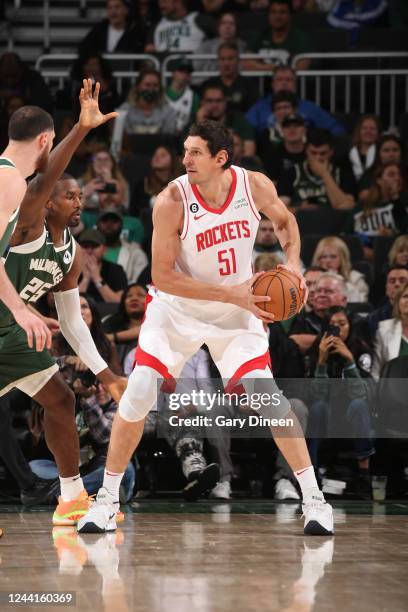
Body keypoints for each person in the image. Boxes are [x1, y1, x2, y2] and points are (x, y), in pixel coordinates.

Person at [78, 119, 334, 536]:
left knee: (267, 398)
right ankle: (105, 502)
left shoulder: (255, 186)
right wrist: (232, 294)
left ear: (221, 158)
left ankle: (314, 500)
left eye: (195, 152)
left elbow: (285, 222)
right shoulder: (171, 200)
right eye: (185, 151)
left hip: (236, 309)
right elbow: (161, 275)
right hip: (178, 308)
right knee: (140, 389)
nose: (185, 160)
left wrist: (294, 265)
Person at [0, 80, 126, 526]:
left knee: (59, 399)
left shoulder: (71, 253)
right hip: (6, 324)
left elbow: (73, 324)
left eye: (80, 195)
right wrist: (80, 130)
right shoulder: (26, 221)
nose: (80, 201)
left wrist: (106, 374)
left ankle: (72, 498)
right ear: (48, 201)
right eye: (70, 195)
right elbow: (47, 174)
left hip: (12, 336)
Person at [0, 105, 55, 354]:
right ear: (43, 139)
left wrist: (29, 310)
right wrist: (20, 310)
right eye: (52, 142)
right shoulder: (10, 180)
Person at [307, 306, 375, 499]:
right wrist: (321, 361)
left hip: (352, 415)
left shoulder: (360, 349)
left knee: (358, 405)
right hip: (327, 413)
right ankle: (312, 478)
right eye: (332, 325)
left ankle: (364, 475)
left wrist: (349, 360)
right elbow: (316, 396)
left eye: (342, 324)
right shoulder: (317, 349)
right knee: (318, 407)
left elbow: (361, 394)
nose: (337, 330)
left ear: (350, 327)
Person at [246, 66, 345, 136]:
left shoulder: (309, 108)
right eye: (280, 80)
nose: (284, 83)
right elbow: (244, 129)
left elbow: (336, 130)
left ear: (295, 85)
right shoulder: (260, 108)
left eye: (288, 80)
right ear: (272, 84)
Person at [279, 129, 356, 210]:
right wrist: (300, 210)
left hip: (333, 220)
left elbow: (346, 207)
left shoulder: (342, 173)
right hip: (301, 220)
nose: (317, 158)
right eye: (313, 153)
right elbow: (279, 210)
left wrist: (324, 174)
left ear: (331, 152)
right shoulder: (292, 173)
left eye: (323, 153)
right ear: (306, 151)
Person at [349, 163, 407, 259]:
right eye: (391, 174)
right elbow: (346, 234)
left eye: (399, 175)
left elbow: (404, 231)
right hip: (362, 255)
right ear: (379, 180)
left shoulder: (402, 205)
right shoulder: (362, 205)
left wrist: (395, 197)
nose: (397, 178)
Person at [246, 0, 313, 71]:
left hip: (289, 82)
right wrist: (270, 69)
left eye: (282, 12)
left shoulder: (300, 38)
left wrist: (275, 72)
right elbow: (246, 63)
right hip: (261, 82)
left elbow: (302, 67)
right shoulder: (260, 36)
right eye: (273, 12)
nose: (277, 16)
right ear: (268, 15)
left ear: (290, 15)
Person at [195, 84, 256, 156]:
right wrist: (200, 123)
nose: (214, 105)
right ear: (202, 102)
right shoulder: (194, 123)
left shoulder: (240, 122)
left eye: (218, 101)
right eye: (209, 101)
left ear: (225, 101)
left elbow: (249, 155)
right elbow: (187, 156)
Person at [201, 43, 258, 114]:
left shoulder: (249, 86)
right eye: (222, 59)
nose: (226, 63)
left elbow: (253, 114)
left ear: (238, 61)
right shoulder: (208, 85)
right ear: (218, 61)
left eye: (230, 58)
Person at [96, 209, 148, 283]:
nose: (109, 224)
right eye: (105, 220)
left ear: (122, 225)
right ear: (97, 224)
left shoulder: (136, 254)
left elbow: (139, 287)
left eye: (114, 221)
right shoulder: (86, 252)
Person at [311, 236, 369, 302]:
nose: (328, 261)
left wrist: (339, 280)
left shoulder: (356, 278)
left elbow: (360, 304)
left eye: (333, 256)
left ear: (342, 258)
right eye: (324, 257)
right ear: (318, 259)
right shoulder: (309, 278)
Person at [78, 229, 128, 303]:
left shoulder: (116, 270)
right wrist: (85, 279)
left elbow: (119, 302)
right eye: (85, 246)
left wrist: (97, 278)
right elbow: (70, 304)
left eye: (94, 246)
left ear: (104, 249)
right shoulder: (71, 269)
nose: (89, 251)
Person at [78, 0, 145, 55]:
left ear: (126, 10)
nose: (113, 12)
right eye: (109, 8)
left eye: (117, 7)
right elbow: (84, 48)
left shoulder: (135, 31)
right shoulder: (99, 29)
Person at [103, 283, 147, 364]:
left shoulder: (157, 324)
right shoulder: (111, 323)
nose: (134, 298)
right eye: (129, 296)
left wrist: (114, 337)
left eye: (140, 295)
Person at [372, 281, 408, 379]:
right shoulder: (384, 329)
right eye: (405, 296)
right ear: (398, 302)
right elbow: (376, 370)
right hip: (392, 390)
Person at [258, 112, 306, 182]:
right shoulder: (273, 155)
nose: (292, 129)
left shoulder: (313, 153)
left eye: (297, 125)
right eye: (287, 126)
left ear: (304, 129)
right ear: (282, 130)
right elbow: (272, 182)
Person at [367, 264, 408, 335]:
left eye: (402, 281)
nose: (397, 284)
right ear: (386, 288)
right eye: (392, 281)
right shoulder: (374, 318)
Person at [165, 57, 200, 133]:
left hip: (184, 137)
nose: (184, 75)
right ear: (173, 73)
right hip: (164, 136)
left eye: (187, 72)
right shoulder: (162, 94)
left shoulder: (194, 97)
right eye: (181, 71)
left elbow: (195, 120)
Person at [349, 114, 381, 182]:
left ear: (378, 132)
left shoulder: (382, 152)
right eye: (365, 128)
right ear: (359, 131)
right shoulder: (348, 153)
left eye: (372, 129)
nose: (368, 131)